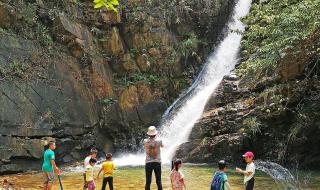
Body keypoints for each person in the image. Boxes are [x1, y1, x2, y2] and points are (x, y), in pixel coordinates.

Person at [144, 126, 164, 190]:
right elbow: (162, 146)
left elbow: (145, 147)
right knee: (158, 181)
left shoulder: (145, 141)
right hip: (157, 162)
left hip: (148, 163)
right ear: (155, 133)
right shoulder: (159, 141)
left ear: (148, 134)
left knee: (148, 181)